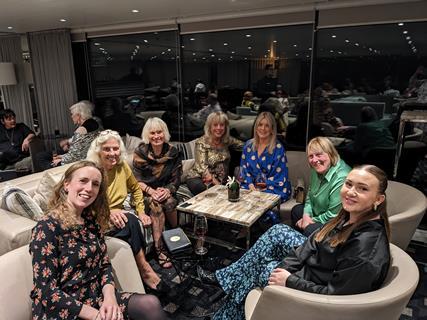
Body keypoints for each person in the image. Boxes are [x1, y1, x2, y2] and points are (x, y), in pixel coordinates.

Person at [206, 165, 391, 320]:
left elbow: (336, 297)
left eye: (363, 188)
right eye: (349, 184)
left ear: (378, 199)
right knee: (278, 231)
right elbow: (315, 239)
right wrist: (287, 266)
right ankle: (227, 294)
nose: (351, 192)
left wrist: (289, 280)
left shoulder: (365, 251)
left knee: (259, 269)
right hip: (314, 267)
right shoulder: (351, 216)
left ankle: (225, 299)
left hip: (313, 294)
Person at [30, 161, 167, 320]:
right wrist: (96, 316)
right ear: (66, 184)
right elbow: (46, 291)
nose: (89, 188)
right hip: (64, 309)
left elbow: (104, 264)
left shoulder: (90, 220)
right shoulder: (46, 228)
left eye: (95, 184)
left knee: (150, 304)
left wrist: (110, 298)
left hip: (95, 298)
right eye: (83, 181)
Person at [87, 130, 164, 289]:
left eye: (115, 149)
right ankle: (145, 270)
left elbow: (136, 189)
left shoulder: (122, 166)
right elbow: (87, 201)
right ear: (98, 151)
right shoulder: (92, 171)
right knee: (131, 222)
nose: (112, 153)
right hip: (96, 216)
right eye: (107, 149)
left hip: (118, 214)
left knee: (131, 221)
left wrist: (141, 211)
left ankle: (137, 273)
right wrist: (108, 212)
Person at [133, 118, 182, 267]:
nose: (156, 136)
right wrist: (152, 191)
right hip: (145, 191)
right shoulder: (140, 152)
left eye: (159, 132)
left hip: (165, 189)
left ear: (164, 133)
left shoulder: (173, 152)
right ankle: (159, 248)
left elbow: (177, 179)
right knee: (157, 206)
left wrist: (167, 190)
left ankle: (176, 236)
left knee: (170, 201)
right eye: (152, 133)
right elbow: (136, 181)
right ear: (147, 135)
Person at [291, 137, 351, 236]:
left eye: (319, 155)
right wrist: (306, 216)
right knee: (297, 210)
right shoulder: (316, 169)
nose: (314, 160)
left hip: (336, 222)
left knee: (309, 229)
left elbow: (333, 215)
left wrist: (309, 221)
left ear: (330, 153)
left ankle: (306, 247)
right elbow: (310, 197)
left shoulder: (342, 177)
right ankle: (298, 244)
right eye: (311, 156)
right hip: (319, 212)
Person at [186, 111, 244, 196]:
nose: (219, 128)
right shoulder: (201, 142)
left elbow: (244, 146)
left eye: (222, 125)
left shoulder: (227, 140)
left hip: (221, 180)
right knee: (206, 191)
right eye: (215, 125)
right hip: (198, 178)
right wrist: (220, 187)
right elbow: (202, 169)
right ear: (209, 127)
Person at [239, 111, 291, 203]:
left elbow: (280, 178)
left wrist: (260, 187)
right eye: (260, 125)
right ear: (256, 127)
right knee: (240, 197)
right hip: (249, 186)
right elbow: (244, 170)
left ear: (272, 129)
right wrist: (251, 185)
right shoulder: (248, 145)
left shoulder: (278, 149)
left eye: (267, 126)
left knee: (256, 200)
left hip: (272, 188)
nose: (263, 128)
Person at [36, 100, 100, 170]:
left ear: (78, 115)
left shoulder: (81, 130)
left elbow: (75, 156)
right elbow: (80, 151)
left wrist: (61, 159)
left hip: (80, 161)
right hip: (86, 156)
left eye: (72, 114)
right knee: (44, 156)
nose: (71, 116)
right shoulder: (94, 123)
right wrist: (62, 156)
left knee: (42, 159)